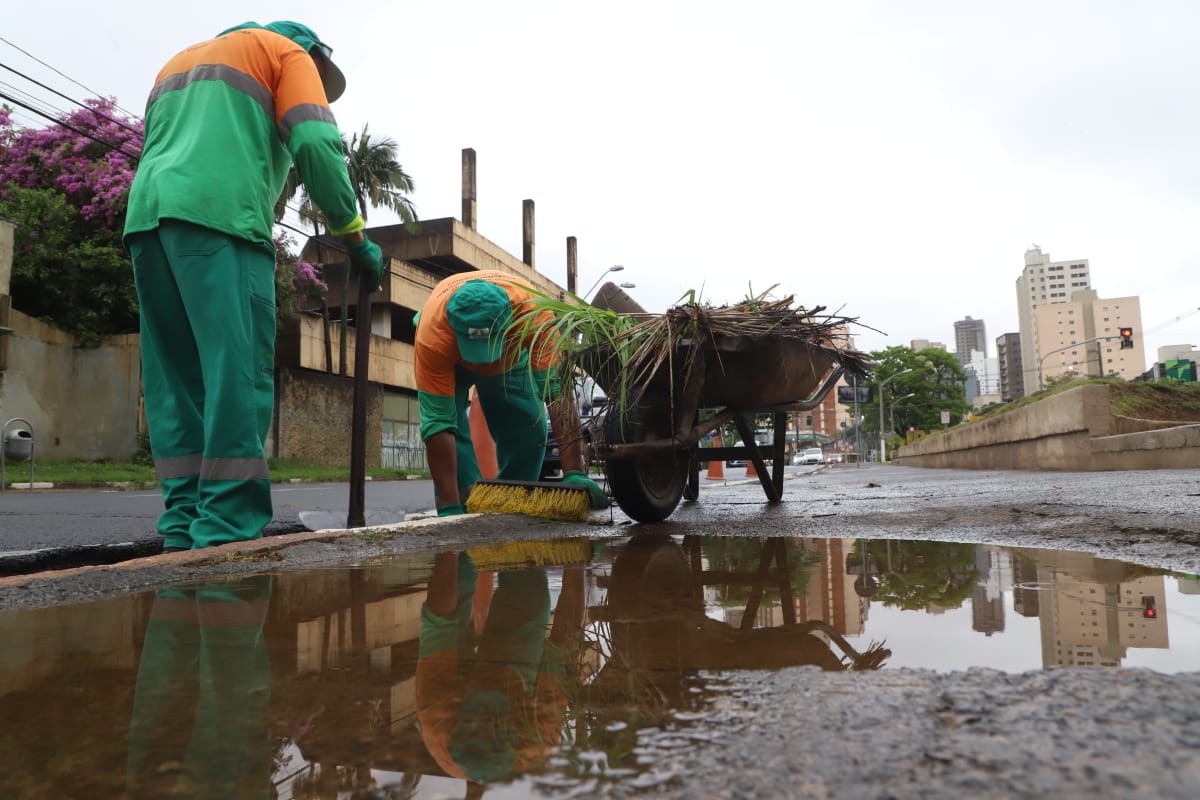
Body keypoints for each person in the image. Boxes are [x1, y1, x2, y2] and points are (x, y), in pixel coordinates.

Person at [123, 21, 386, 551]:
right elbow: (315, 141)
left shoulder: (179, 62)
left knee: (177, 382)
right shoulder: (286, 54)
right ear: (313, 55)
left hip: (148, 223)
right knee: (236, 373)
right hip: (222, 222)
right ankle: (226, 529)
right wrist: (353, 234)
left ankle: (183, 524)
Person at [413, 270, 607, 516]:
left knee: (529, 429)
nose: (482, 364)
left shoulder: (534, 317)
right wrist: (448, 505)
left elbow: (558, 395)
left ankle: (510, 500)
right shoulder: (433, 336)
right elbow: (438, 423)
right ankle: (462, 500)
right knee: (449, 428)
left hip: (510, 357)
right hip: (451, 359)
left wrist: (574, 472)